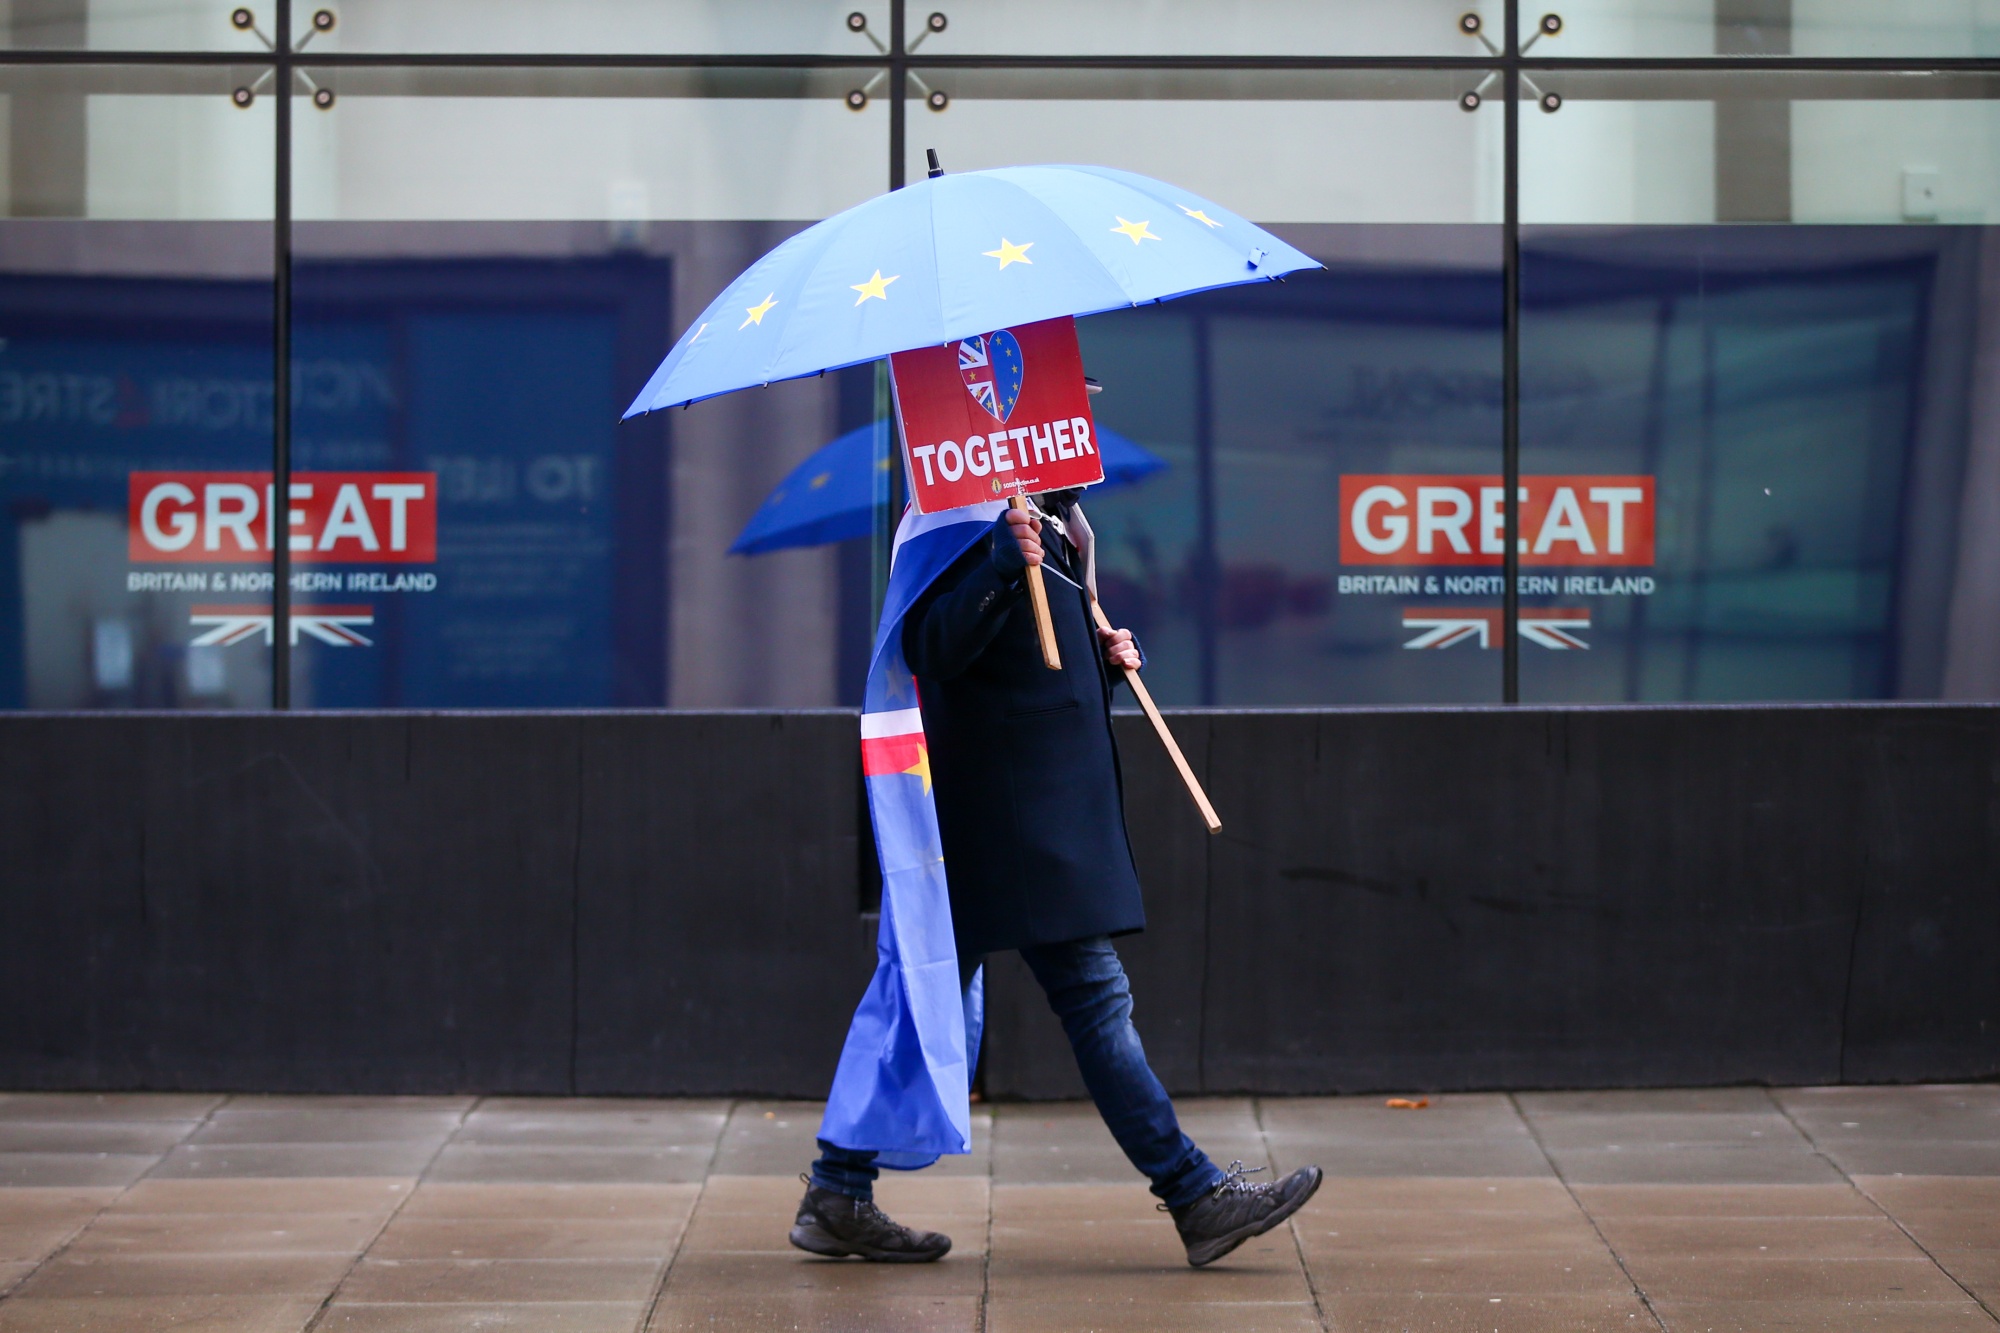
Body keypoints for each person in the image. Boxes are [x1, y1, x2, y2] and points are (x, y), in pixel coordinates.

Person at [791, 491, 1321, 1268]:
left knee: (919, 992)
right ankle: (1194, 1193)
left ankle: (838, 1187)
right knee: (1094, 999)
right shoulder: (961, 525)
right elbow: (932, 650)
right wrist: (1003, 568)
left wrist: (1099, 664)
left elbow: (1027, 667)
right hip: (1011, 821)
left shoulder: (1057, 532)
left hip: (1043, 815)